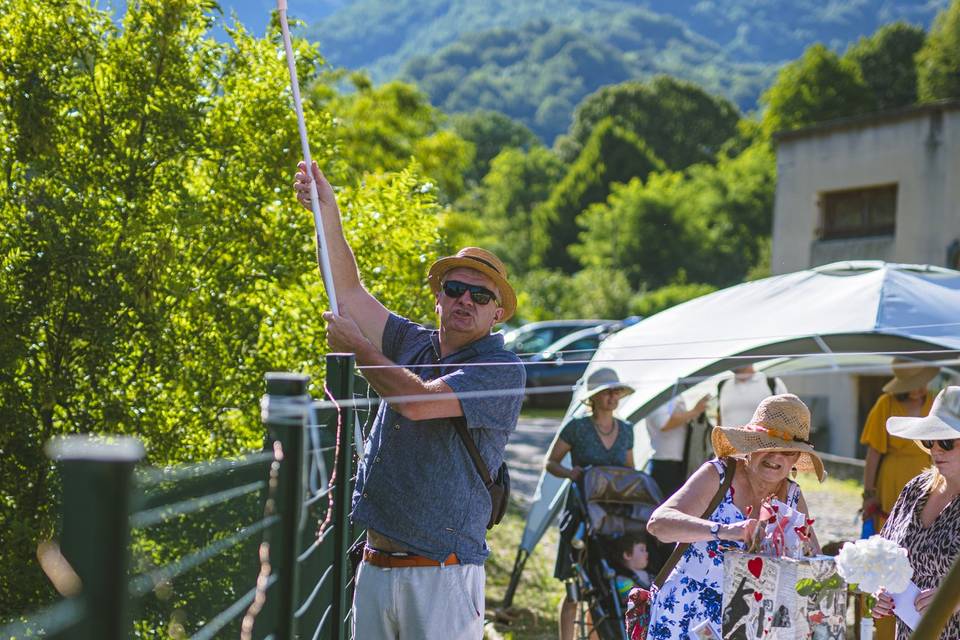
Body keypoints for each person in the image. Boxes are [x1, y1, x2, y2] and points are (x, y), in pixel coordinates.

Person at [294, 161, 525, 640]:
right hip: (377, 564)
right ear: (437, 297)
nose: (465, 300)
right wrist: (327, 214)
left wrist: (359, 348)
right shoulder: (412, 342)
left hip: (443, 572)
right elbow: (349, 292)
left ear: (497, 313)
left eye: (480, 296)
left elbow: (417, 402)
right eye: (455, 288)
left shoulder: (501, 369)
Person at [645, 394, 824, 639]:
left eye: (787, 451)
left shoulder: (792, 495)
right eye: (767, 446)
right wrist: (725, 530)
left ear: (795, 458)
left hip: (750, 624)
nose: (775, 457)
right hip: (686, 617)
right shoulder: (717, 474)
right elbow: (659, 524)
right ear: (751, 446)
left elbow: (813, 561)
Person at [545, 367, 635, 640]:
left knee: (604, 582)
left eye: (615, 391)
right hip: (581, 509)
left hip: (611, 513)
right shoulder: (577, 427)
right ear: (593, 397)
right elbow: (550, 462)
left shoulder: (627, 429)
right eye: (606, 392)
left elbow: (631, 472)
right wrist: (572, 473)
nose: (612, 396)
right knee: (574, 584)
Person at [872, 386, 960, 640]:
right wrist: (880, 591)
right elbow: (884, 555)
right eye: (929, 440)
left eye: (946, 441)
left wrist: (952, 600)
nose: (935, 449)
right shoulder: (916, 488)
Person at [860, 359, 938, 533]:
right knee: (891, 529)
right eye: (912, 385)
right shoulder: (885, 404)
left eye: (920, 383)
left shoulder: (935, 402)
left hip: (927, 475)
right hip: (892, 479)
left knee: (922, 530)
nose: (918, 389)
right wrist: (868, 494)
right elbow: (873, 453)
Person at [644, 393, 710, 497]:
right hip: (664, 464)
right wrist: (694, 412)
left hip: (680, 464)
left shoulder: (676, 393)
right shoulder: (658, 395)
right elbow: (663, 424)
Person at [717, 364, 787, 427]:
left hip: (766, 440)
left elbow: (787, 416)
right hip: (728, 440)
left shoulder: (772, 383)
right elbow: (719, 418)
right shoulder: (723, 385)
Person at [609, 531, 652, 607]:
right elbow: (629, 600)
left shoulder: (650, 575)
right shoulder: (621, 580)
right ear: (628, 555)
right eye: (642, 550)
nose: (647, 553)